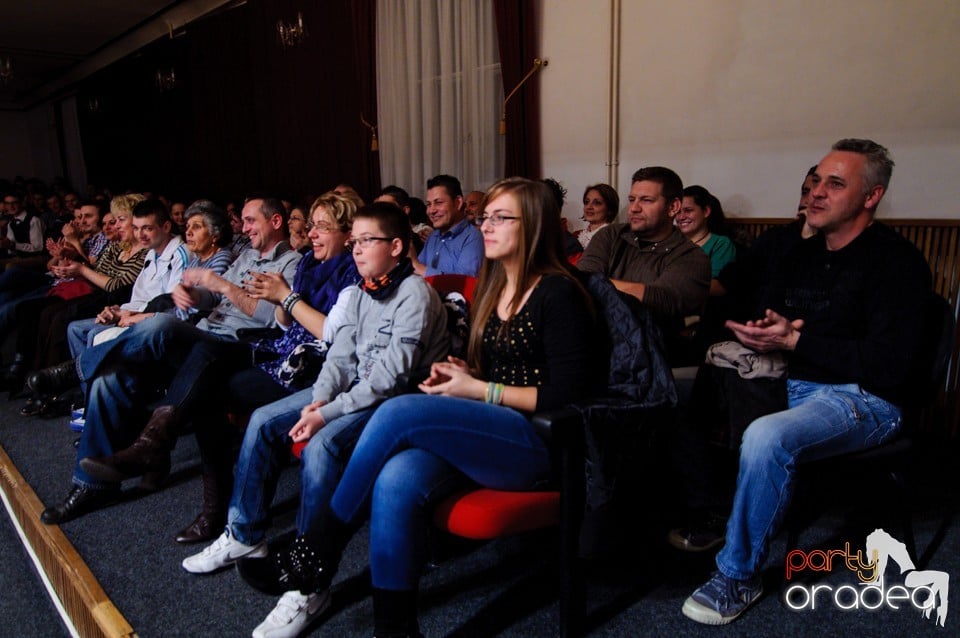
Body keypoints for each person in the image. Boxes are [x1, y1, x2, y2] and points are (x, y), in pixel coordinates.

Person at [233, 177, 598, 638]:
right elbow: (499, 371)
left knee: (397, 411)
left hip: (542, 443)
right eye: (485, 217)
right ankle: (396, 630)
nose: (485, 225)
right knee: (396, 478)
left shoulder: (558, 292)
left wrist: (478, 390)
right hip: (489, 431)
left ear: (535, 226)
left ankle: (315, 551)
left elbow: (568, 393)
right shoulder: (493, 286)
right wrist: (461, 372)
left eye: (500, 217)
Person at [681, 139, 933, 625]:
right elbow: (775, 318)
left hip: (864, 399)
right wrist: (759, 332)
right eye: (816, 180)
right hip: (789, 379)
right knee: (669, 392)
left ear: (871, 197)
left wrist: (797, 343)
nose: (816, 192)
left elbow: (891, 368)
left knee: (766, 435)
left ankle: (738, 574)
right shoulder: (800, 254)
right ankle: (711, 515)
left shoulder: (897, 264)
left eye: (834, 184)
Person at [181, 201, 449, 598]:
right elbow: (340, 356)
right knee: (263, 421)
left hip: (395, 401)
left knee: (321, 445)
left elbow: (389, 380)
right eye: (354, 241)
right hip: (354, 389)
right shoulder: (361, 291)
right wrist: (320, 398)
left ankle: (308, 578)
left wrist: (327, 412)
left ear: (395, 247)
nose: (356, 249)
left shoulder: (414, 295)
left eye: (366, 241)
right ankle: (245, 533)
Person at [82, 192, 362, 544]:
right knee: (197, 361)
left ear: (348, 233)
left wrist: (284, 296)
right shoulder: (308, 264)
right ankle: (156, 447)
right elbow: (283, 323)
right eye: (312, 225)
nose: (312, 233)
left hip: (306, 364)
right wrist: (277, 299)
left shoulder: (350, 270)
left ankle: (203, 499)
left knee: (194, 372)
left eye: (322, 227)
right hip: (275, 348)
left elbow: (327, 334)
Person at [38, 195, 302, 525]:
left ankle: (75, 370)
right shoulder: (246, 254)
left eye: (251, 221)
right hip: (206, 330)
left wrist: (217, 284)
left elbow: (268, 318)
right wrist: (195, 295)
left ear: (275, 222)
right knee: (113, 378)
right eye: (244, 221)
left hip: (233, 346)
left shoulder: (292, 263)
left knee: (159, 324)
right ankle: (92, 486)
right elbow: (212, 298)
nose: (244, 228)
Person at [577, 167, 710, 361]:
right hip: (596, 344)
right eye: (632, 200)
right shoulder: (611, 235)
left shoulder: (691, 257)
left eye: (646, 200)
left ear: (673, 207)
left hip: (653, 357)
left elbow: (659, 299)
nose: (634, 208)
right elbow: (581, 279)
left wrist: (597, 283)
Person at [411, 174, 483, 277]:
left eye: (438, 203)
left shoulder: (473, 237)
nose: (431, 210)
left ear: (458, 203)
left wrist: (419, 268)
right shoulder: (433, 236)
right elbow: (416, 273)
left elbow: (463, 285)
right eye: (428, 204)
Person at [676, 185, 736, 296]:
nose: (681, 217)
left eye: (688, 210)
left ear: (706, 211)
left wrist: (673, 287)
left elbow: (718, 286)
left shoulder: (721, 243)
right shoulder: (672, 241)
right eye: (678, 212)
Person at [574, 183, 619, 249]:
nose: (589, 207)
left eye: (597, 203)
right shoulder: (577, 234)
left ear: (610, 209)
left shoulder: (611, 238)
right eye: (586, 202)